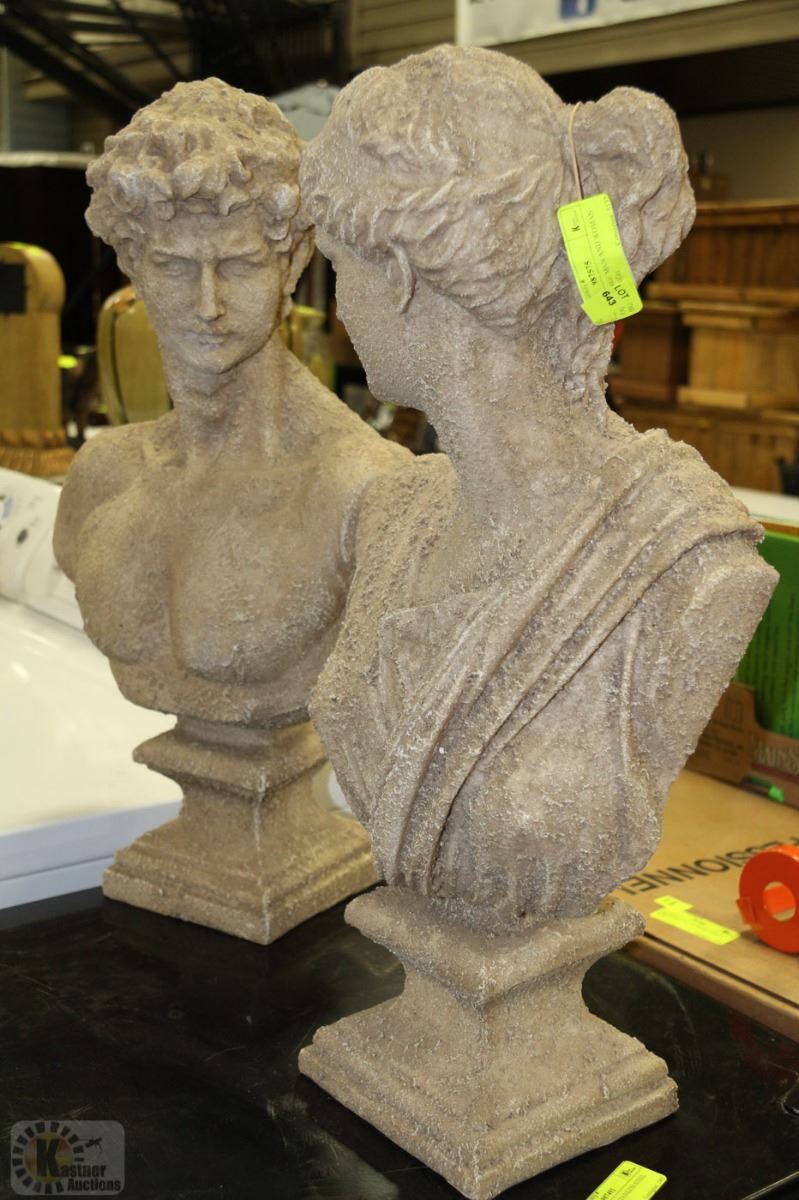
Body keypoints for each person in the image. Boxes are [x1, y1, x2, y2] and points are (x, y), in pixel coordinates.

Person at [302, 46, 776, 928]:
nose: (340, 312)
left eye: (341, 271)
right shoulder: (395, 512)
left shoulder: (685, 560)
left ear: (398, 274)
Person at [55, 77, 405, 729]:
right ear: (133, 264)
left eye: (240, 267)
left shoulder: (359, 488)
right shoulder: (104, 475)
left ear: (291, 263)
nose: (208, 304)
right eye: (175, 266)